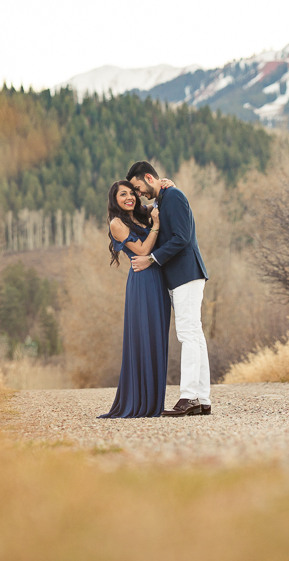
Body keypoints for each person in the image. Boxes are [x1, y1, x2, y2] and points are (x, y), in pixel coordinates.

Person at [127, 161, 211, 417]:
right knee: (194, 335)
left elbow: (182, 237)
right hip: (181, 277)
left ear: (149, 177)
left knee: (187, 334)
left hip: (186, 274)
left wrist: (151, 259)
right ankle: (202, 399)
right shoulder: (164, 199)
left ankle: (187, 397)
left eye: (137, 186)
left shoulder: (173, 196)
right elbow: (143, 211)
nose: (137, 192)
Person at [99, 179, 172, 418]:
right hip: (142, 282)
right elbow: (142, 251)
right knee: (144, 337)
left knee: (157, 337)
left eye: (132, 193)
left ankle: (154, 401)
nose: (130, 197)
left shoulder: (142, 213)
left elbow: (161, 200)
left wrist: (168, 183)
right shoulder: (116, 223)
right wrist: (156, 227)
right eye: (123, 194)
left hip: (158, 279)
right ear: (115, 199)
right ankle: (141, 402)